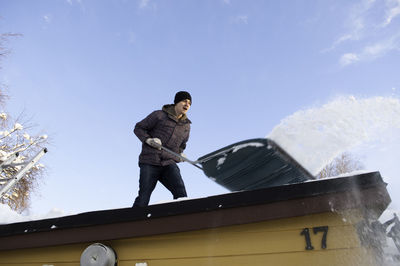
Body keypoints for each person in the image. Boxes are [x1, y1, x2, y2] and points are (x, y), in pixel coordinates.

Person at [132, 91, 192, 207]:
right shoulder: (159, 115)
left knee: (181, 194)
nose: (187, 104)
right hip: (150, 161)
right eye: (184, 101)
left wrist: (180, 154)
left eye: (189, 103)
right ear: (176, 102)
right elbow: (139, 128)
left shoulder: (186, 126)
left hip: (168, 163)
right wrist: (149, 140)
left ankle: (181, 222)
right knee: (144, 196)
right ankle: (131, 222)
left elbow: (182, 145)